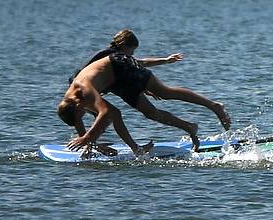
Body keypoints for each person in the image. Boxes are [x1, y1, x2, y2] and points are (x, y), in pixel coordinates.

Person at [62, 29, 230, 150]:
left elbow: (137, 62)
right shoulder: (72, 101)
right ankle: (188, 128)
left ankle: (214, 105)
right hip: (115, 83)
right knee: (150, 113)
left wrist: (88, 138)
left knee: (164, 92)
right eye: (132, 49)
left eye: (82, 113)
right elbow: (84, 117)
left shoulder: (88, 86)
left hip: (119, 73)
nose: (83, 115)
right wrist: (90, 144)